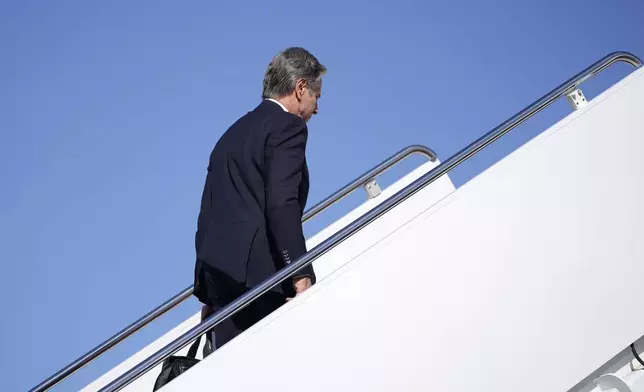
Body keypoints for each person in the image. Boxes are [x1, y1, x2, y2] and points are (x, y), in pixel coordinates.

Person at [193, 47, 326, 355]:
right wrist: (301, 273)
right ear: (300, 87)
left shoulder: (230, 135)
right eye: (316, 96)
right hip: (262, 282)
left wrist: (209, 295)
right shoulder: (288, 127)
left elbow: (207, 217)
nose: (317, 107)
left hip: (220, 285)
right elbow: (282, 204)